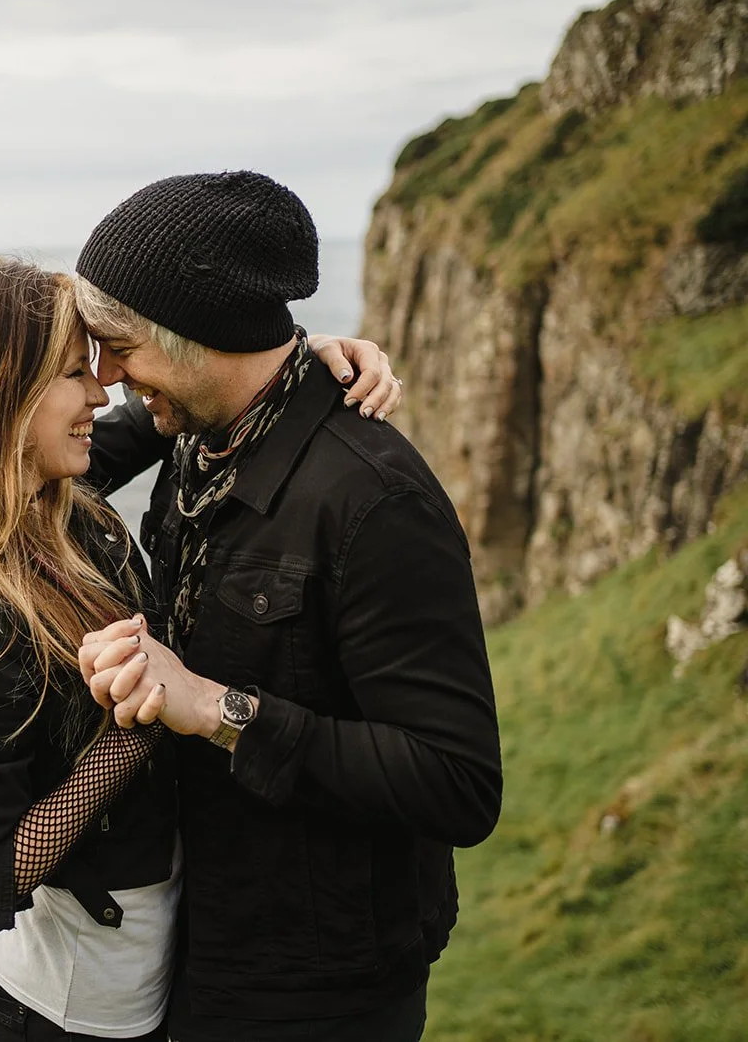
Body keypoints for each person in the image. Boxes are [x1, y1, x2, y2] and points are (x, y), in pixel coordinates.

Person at [0, 254, 403, 1041]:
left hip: (150, 965)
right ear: (3, 402)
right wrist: (140, 727)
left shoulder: (55, 497)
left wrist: (288, 367)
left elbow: (149, 423)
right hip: (73, 1006)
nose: (101, 392)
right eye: (73, 373)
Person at [74, 172, 503, 1042]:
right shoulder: (204, 430)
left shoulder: (375, 500)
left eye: (120, 347)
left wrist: (215, 707)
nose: (104, 374)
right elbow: (35, 471)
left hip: (318, 987)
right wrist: (282, 361)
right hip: (205, 938)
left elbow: (458, 782)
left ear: (203, 339)